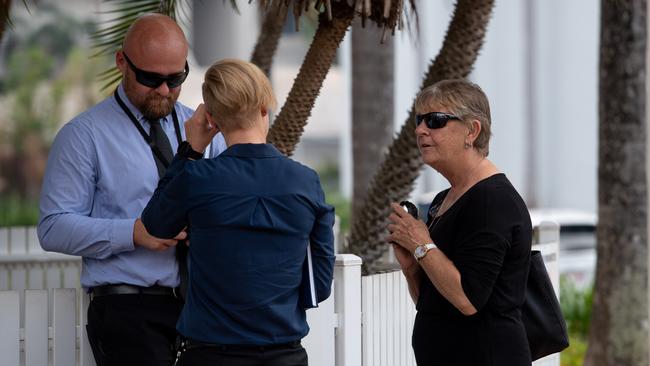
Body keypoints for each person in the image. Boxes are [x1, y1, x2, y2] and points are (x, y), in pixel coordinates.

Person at [37, 13, 226, 366]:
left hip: (202, 308)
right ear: (122, 62)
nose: (164, 90)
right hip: (129, 311)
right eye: (150, 78)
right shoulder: (83, 136)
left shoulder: (205, 130)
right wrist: (134, 233)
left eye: (176, 78)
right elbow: (52, 227)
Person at [141, 58, 335, 366]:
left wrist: (190, 151)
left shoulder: (197, 178)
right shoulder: (306, 182)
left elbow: (154, 224)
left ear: (213, 120)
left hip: (210, 354)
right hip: (283, 354)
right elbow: (319, 286)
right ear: (264, 109)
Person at [387, 79, 532, 365]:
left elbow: (468, 299)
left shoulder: (492, 201)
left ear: (472, 131)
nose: (420, 130)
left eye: (435, 120)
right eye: (419, 120)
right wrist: (413, 268)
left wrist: (421, 244)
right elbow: (435, 303)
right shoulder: (445, 198)